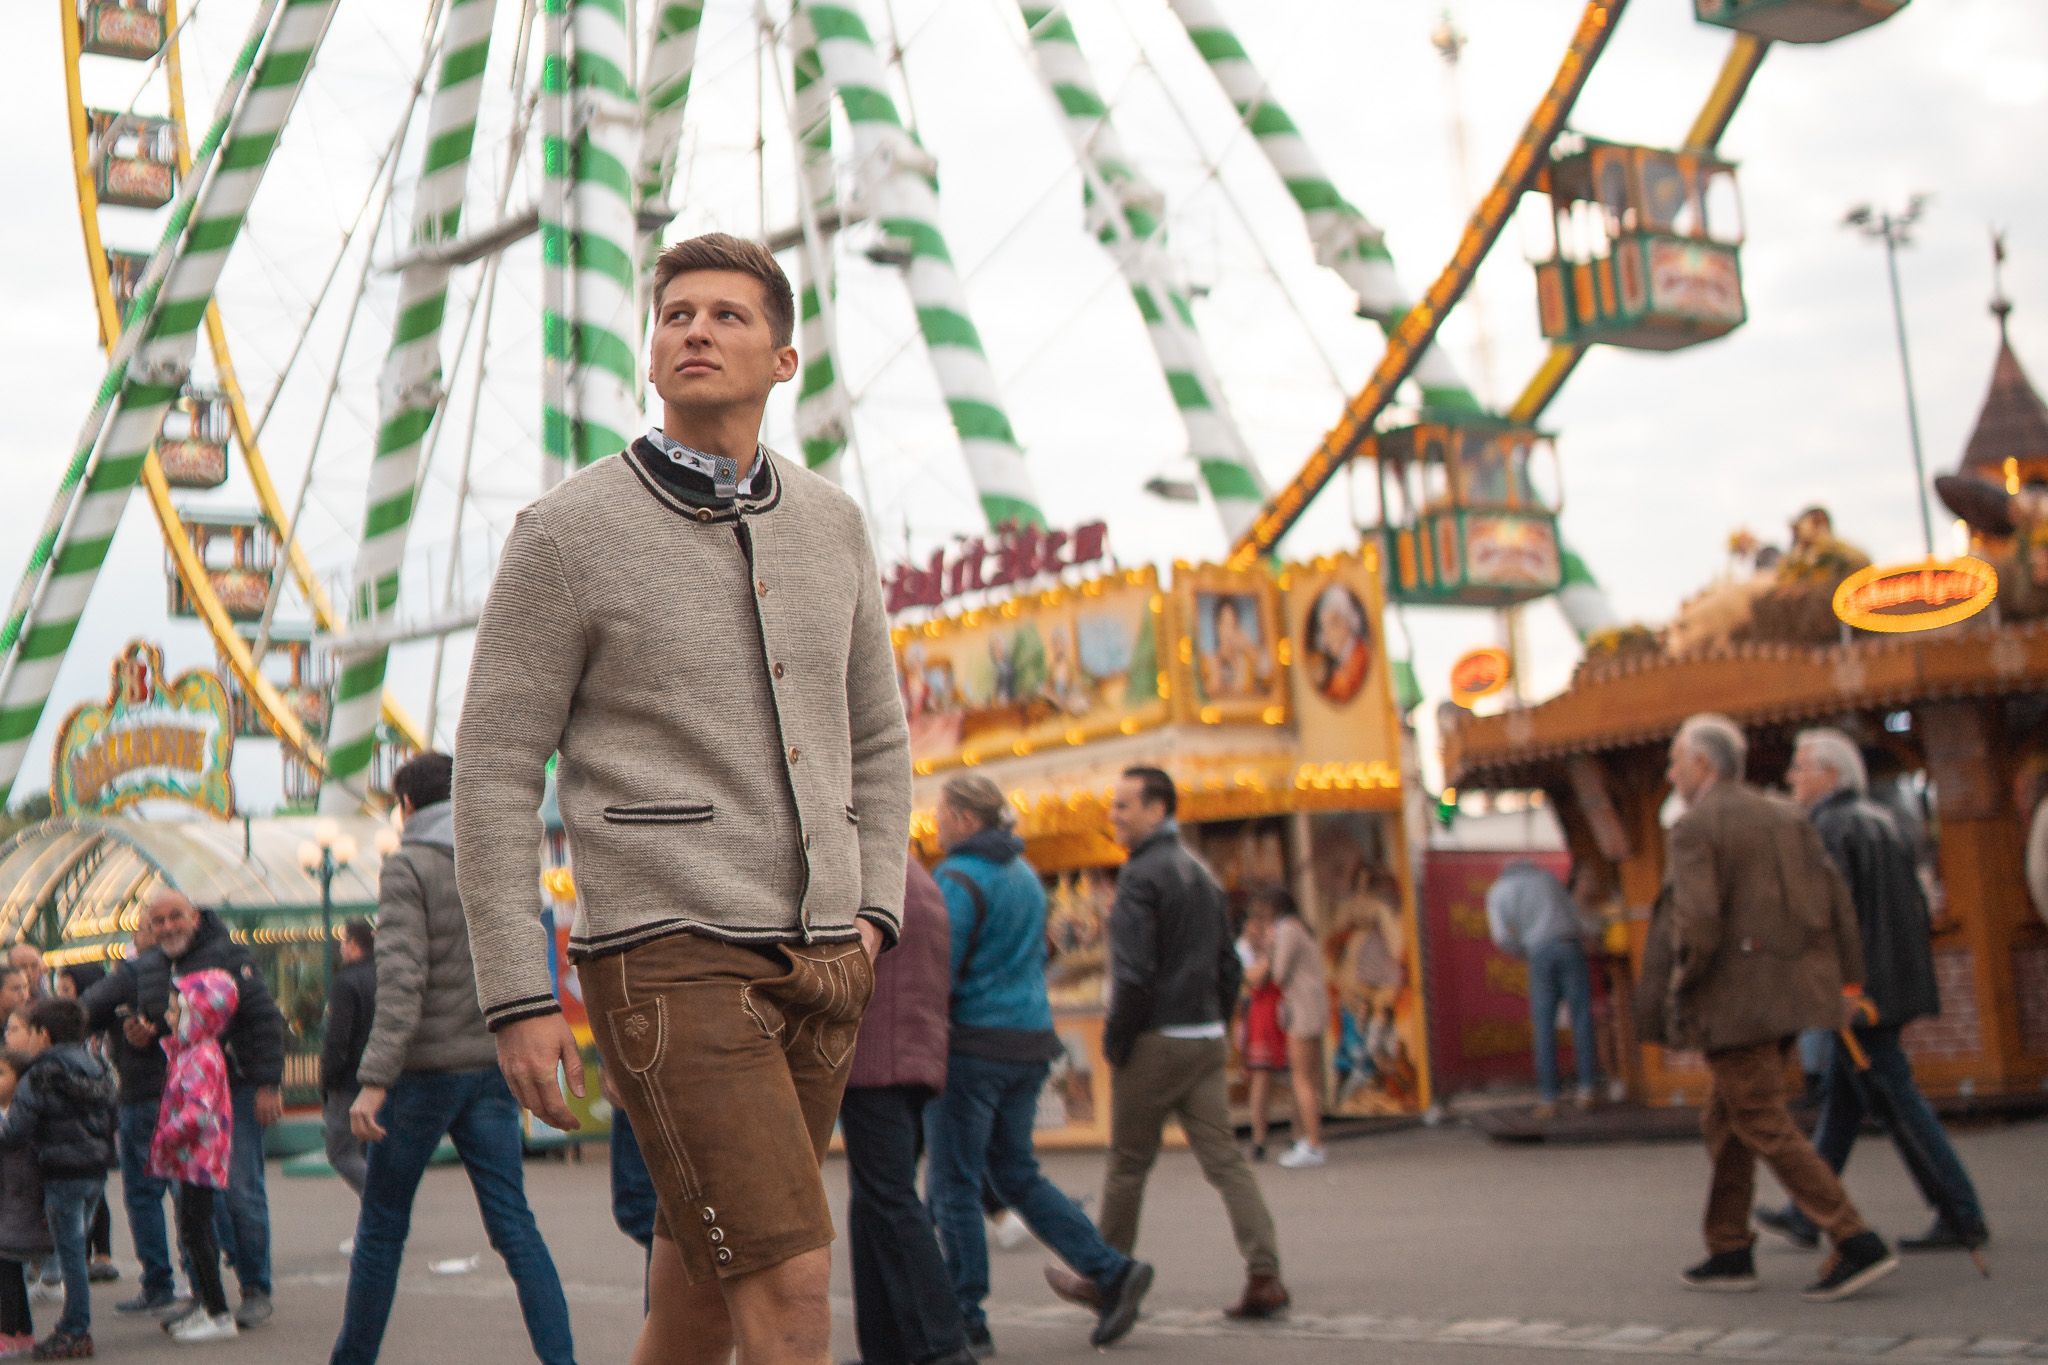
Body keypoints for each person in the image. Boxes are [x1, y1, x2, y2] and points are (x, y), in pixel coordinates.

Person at [453, 232, 911, 1365]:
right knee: (790, 1283)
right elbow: (497, 768)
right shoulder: (565, 535)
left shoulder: (832, 524)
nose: (696, 330)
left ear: (785, 358)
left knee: (705, 1289)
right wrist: (519, 995)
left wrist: (873, 910)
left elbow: (876, 738)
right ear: (652, 356)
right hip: (668, 956)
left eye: (727, 315)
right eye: (675, 316)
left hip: (822, 955)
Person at [1639, 714, 1896, 1302]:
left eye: (1677, 760)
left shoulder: (1696, 826)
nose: (1672, 772)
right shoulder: (1786, 813)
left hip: (1733, 1003)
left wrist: (1684, 987)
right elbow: (1837, 904)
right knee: (1726, 1118)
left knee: (1758, 1117)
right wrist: (1848, 983)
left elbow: (1697, 924)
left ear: (1703, 765)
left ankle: (1854, 1237)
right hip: (1790, 996)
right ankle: (1728, 1248)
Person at [331, 752, 573, 1365]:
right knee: (515, 1227)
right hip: (490, 1068)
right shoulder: (497, 860)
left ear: (406, 805)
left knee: (382, 1228)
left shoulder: (409, 867)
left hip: (423, 1075)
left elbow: (403, 981)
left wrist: (374, 1080)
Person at [924, 775, 1151, 1354]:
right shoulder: (1024, 876)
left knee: (955, 1182)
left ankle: (964, 1315)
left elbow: (938, 968)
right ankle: (1109, 1269)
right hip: (1028, 1039)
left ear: (967, 821)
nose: (937, 824)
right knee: (1015, 1173)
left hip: (972, 1043)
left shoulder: (957, 879)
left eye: (943, 814)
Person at [1755, 729, 1988, 1253]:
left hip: (1860, 991)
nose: (1792, 778)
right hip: (1888, 981)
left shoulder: (1831, 828)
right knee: (1844, 1099)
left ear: (1829, 775)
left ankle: (1960, 1210)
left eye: (1800, 767)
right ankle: (1808, 1210)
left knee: (1897, 1101)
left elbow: (1829, 918)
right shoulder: (1885, 820)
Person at [1097, 767, 1288, 1319]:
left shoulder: (1139, 877)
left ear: (1158, 810)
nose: (1114, 815)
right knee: (1226, 1162)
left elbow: (1133, 976)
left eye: (1124, 806)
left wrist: (1117, 1039)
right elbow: (1229, 965)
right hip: (1203, 1034)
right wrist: (1217, 1020)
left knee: (1128, 1164)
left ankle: (1109, 1278)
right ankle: (1265, 1273)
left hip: (1155, 1036)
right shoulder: (1201, 874)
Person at [80, 891, 285, 1328]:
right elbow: (178, 1024)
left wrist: (268, 1083)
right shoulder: (160, 964)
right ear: (150, 928)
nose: (169, 926)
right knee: (193, 1203)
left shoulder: (228, 955)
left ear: (194, 916)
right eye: (159, 921)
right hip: (193, 1091)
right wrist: (147, 1033)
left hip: (239, 1086)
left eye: (176, 917)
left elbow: (264, 1018)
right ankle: (204, 1292)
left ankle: (255, 1288)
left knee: (241, 1190)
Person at [839, 858, 973, 1365]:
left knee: (889, 1199)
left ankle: (942, 1344)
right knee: (876, 1199)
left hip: (879, 1057)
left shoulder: (871, 876)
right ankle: (886, 1345)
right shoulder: (916, 876)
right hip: (909, 1055)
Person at [0, 998, 117, 1359]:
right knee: (74, 1251)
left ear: (44, 1035)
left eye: (30, 1032)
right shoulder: (96, 1066)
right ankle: (74, 1323)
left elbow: (16, 1130)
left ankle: (75, 1328)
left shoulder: (40, 1074)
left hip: (61, 1171)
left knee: (69, 1254)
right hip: (94, 1169)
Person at [77, 922, 181, 1315]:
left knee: (142, 1192)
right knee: (187, 1190)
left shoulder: (131, 973)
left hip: (140, 1093)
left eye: (140, 927)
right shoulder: (192, 967)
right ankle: (202, 1280)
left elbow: (87, 1005)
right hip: (183, 1092)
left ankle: (158, 1281)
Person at [149, 970, 240, 1344]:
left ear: (198, 1014)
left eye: (176, 1010)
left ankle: (218, 1313)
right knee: (193, 1231)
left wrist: (164, 1138)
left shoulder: (200, 1056)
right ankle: (209, 1307)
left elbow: (197, 1112)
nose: (169, 1016)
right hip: (193, 1158)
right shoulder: (192, 1052)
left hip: (198, 1158)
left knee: (198, 1234)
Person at [1486, 859, 1600, 1117]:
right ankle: (1587, 1090)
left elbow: (1502, 936)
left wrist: (1525, 952)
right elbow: (1575, 914)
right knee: (1582, 1018)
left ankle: (1549, 1097)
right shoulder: (1547, 879)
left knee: (1544, 1024)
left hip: (1539, 951)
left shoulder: (1499, 890)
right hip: (1569, 946)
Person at [1240, 885, 1328, 1167]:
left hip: (1300, 1008)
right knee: (1310, 1077)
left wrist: (1268, 947)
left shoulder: (1287, 930)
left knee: (1301, 1078)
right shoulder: (1300, 928)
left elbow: (1277, 973)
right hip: (1312, 1006)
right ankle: (1307, 1138)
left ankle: (1312, 1143)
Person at [50, 970, 115, 1287]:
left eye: (66, 988)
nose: (61, 995)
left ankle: (93, 1259)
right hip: (92, 1149)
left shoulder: (74, 1054)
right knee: (89, 1204)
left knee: (73, 1221)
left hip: (74, 1151)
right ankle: (86, 1260)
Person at [0, 1050, 54, 1355]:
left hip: (18, 1200)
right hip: (10, 1200)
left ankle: (8, 1331)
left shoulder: (21, 1117)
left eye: (2, 1075)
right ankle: (21, 1330)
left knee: (6, 1265)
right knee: (10, 1266)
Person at [320, 919, 377, 1200]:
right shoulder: (383, 976)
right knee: (369, 1150)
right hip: (380, 1077)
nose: (341, 948)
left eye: (344, 942)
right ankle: (375, 1226)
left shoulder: (346, 982)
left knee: (341, 1152)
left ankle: (381, 1206)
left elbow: (337, 1038)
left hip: (348, 1081)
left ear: (354, 945)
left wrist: (327, 1080)